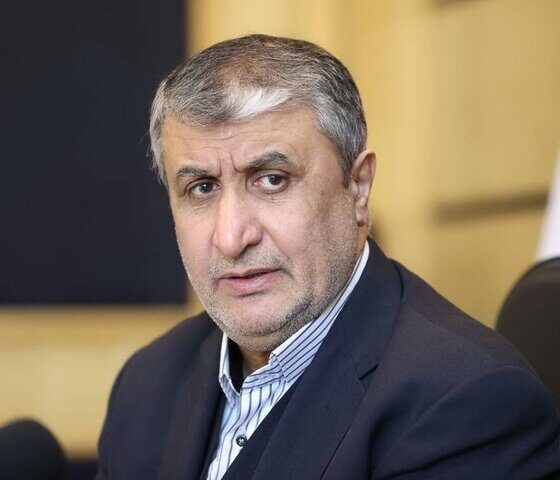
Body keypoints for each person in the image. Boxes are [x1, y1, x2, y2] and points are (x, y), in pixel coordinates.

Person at [95, 35, 560, 480]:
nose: (232, 237)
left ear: (358, 188)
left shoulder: (466, 402)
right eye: (201, 188)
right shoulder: (147, 384)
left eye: (272, 180)